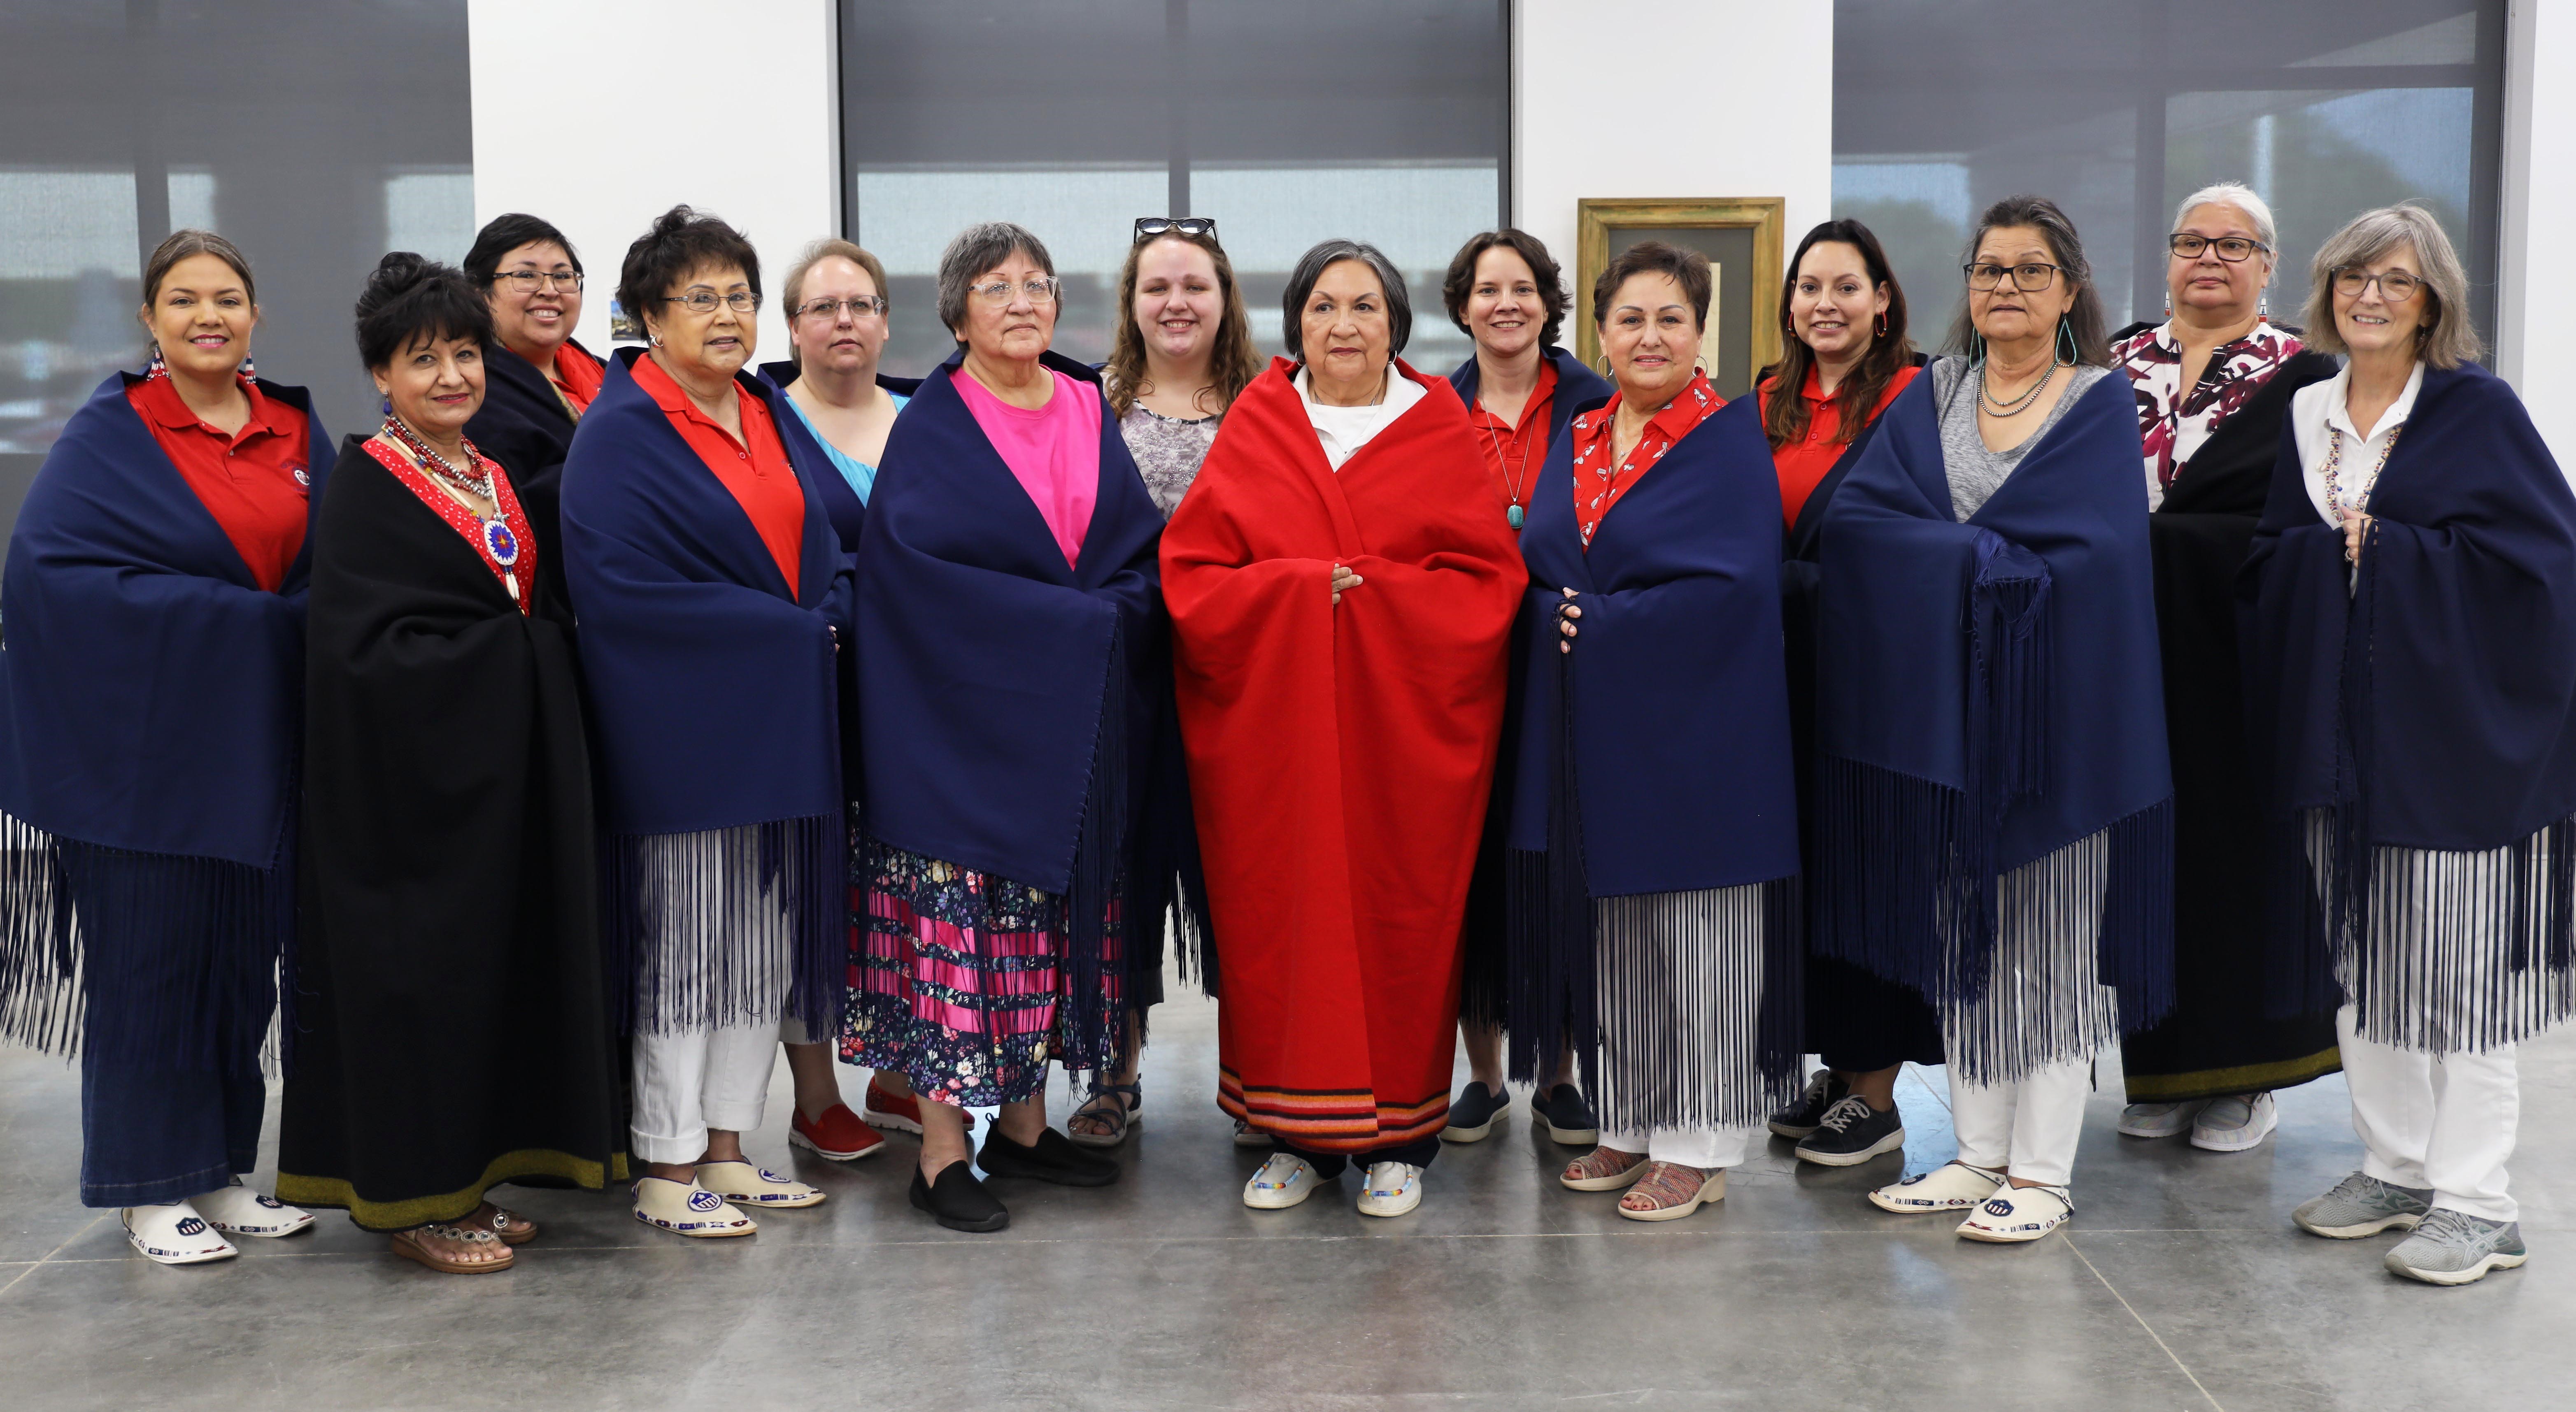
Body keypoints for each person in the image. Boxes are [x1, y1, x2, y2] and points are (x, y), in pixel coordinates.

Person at [1812, 195, 2173, 1243]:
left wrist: (1963, 555)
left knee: (2049, 946)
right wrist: (1977, 561)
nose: (2004, 286)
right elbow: (1863, 525)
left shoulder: (2100, 402)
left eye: (2028, 270)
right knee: (1963, 935)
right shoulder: (1931, 393)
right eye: (1987, 270)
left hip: (2061, 725)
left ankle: (2044, 1172)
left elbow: (2100, 557)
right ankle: (1975, 1155)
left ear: (2068, 290)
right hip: (1947, 720)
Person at [2244, 205, 2576, 1287]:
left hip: (2452, 743)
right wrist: (2324, 557)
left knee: (2452, 973)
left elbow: (2540, 563)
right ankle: (2394, 1165)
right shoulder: (2305, 411)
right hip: (2337, 736)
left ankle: (2479, 1197)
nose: (2369, 297)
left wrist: (2386, 548)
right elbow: (2271, 559)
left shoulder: (2474, 409)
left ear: (2431, 298)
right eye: (2351, 278)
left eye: (2394, 281)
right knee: (2364, 960)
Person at [1163, 239, 1525, 1218]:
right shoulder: (1259, 423)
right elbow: (1193, 579)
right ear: (1296, 325)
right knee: (1280, 922)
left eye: (1365, 307)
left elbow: (1490, 585)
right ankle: (1292, 1140)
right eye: (1323, 307)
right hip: (1275, 743)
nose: (1344, 326)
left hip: (1403, 741)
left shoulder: (1435, 427)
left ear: (1396, 326)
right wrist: (1296, 590)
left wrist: (1373, 601)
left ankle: (1401, 1137)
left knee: (1402, 918)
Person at [275, 254, 621, 1273]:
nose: (451, 377)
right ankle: (413, 1201)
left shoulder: (488, 473)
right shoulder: (367, 488)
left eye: (465, 354)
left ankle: (471, 1178)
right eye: (423, 360)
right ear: (383, 375)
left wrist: (530, 650)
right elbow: (363, 652)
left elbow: (518, 608)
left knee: (489, 979)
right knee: (423, 989)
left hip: (492, 787)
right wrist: (517, 657)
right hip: (405, 802)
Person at [0, 230, 324, 1265]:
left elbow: (330, 561)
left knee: (236, 966)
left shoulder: (292, 428)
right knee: (151, 962)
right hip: (140, 753)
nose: (208, 317)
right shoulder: (113, 435)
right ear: (151, 321)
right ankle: (148, 1185)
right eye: (183, 300)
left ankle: (221, 1170)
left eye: (227, 297)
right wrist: (250, 620)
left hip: (252, 742)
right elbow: (51, 579)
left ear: (256, 314)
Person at [849, 221, 1166, 1232]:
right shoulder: (932, 422)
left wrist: (1111, 609)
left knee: (1047, 930)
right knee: (966, 929)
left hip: (1070, 717)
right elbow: (915, 581)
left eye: (1039, 285)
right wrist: (1078, 619)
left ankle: (1025, 1135)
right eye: (997, 287)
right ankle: (944, 1155)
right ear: (957, 314)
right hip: (960, 726)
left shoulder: (1084, 402)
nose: (1024, 301)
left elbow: (1132, 544)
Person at [561, 206, 849, 1239]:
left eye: (738, 295)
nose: (727, 316)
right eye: (702, 298)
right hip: (679, 730)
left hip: (778, 721)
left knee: (757, 947)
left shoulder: (764, 410)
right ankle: (666, 1161)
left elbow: (814, 546)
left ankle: (729, 1148)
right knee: (684, 948)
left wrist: (820, 618)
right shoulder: (620, 430)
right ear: (647, 315)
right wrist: (790, 632)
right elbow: (622, 591)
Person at [1503, 242, 1799, 1220]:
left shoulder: (1725, 437)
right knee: (1618, 931)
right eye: (1630, 318)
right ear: (1600, 330)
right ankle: (1632, 1119)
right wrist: (1559, 613)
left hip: (1704, 728)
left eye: (1671, 318)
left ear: (1701, 331)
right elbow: (1548, 563)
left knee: (1699, 935)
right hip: (1598, 725)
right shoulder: (1580, 432)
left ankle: (1702, 1140)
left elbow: (1742, 586)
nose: (1649, 336)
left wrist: (1610, 621)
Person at [2109, 182, 2342, 1153]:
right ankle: (2160, 1069)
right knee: (2141, 854)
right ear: (2167, 257)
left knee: (2238, 854)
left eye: (2234, 245)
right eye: (2192, 242)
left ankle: (2250, 1078)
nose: (2209, 258)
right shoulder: (2114, 361)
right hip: (2125, 647)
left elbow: (2312, 510)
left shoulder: (2307, 373)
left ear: (2267, 264)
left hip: (2243, 652)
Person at [1068, 215, 1264, 1150]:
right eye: (1158, 287)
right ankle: (1115, 1072)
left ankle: (1267, 1077)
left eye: (1195, 286)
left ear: (1224, 300)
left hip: (1248, 682)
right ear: (1131, 303)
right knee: (1123, 875)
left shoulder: (1272, 405)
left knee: (1250, 880)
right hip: (1125, 685)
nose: (1176, 302)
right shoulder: (1089, 407)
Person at [1754, 218, 1941, 1168]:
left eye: (1845, 287)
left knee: (1872, 871)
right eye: (1808, 288)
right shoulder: (1763, 403)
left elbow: (1927, 535)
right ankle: (1836, 1066)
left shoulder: (1918, 398)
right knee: (1806, 873)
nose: (1824, 304)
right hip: (1781, 679)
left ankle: (1876, 1095)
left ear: (1881, 301)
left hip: (1878, 677)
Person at [1436, 228, 1612, 1150]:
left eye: (1524, 287)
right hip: (1458, 666)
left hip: (1566, 658)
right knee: (1471, 863)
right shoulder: (1425, 409)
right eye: (1486, 288)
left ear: (1548, 303)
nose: (1506, 303)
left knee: (1559, 862)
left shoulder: (1599, 403)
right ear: (1461, 304)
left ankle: (1559, 1073)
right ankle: (1484, 1072)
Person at [752, 237, 924, 1164]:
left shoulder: (924, 419)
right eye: (823, 307)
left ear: (887, 321)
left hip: (909, 689)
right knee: (812, 885)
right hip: (810, 683)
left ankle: (896, 1074)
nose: (844, 321)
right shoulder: (765, 424)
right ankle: (814, 1095)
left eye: (860, 304)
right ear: (794, 327)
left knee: (898, 877)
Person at [462, 214, 604, 607]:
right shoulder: (471, 389)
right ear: (479, 290)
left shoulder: (610, 375)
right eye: (527, 275)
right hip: (546, 598)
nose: (550, 290)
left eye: (563, 276)